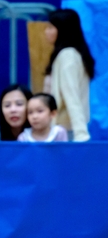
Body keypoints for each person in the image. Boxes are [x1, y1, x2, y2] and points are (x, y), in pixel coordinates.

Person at [43, 9, 95, 142]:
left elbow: (72, 97)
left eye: (50, 28)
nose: (46, 32)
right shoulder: (69, 55)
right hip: (63, 130)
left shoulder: (67, 56)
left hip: (66, 132)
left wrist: (81, 134)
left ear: (62, 30)